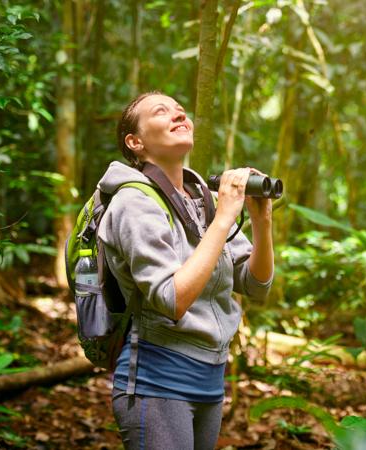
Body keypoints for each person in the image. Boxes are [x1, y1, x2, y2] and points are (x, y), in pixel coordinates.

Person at [97, 91, 274, 449]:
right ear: (135, 142)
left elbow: (256, 285)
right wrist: (225, 217)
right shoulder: (133, 202)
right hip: (156, 380)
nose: (179, 115)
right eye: (162, 112)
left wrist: (262, 222)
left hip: (210, 380)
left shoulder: (202, 198)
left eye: (180, 110)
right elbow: (171, 299)